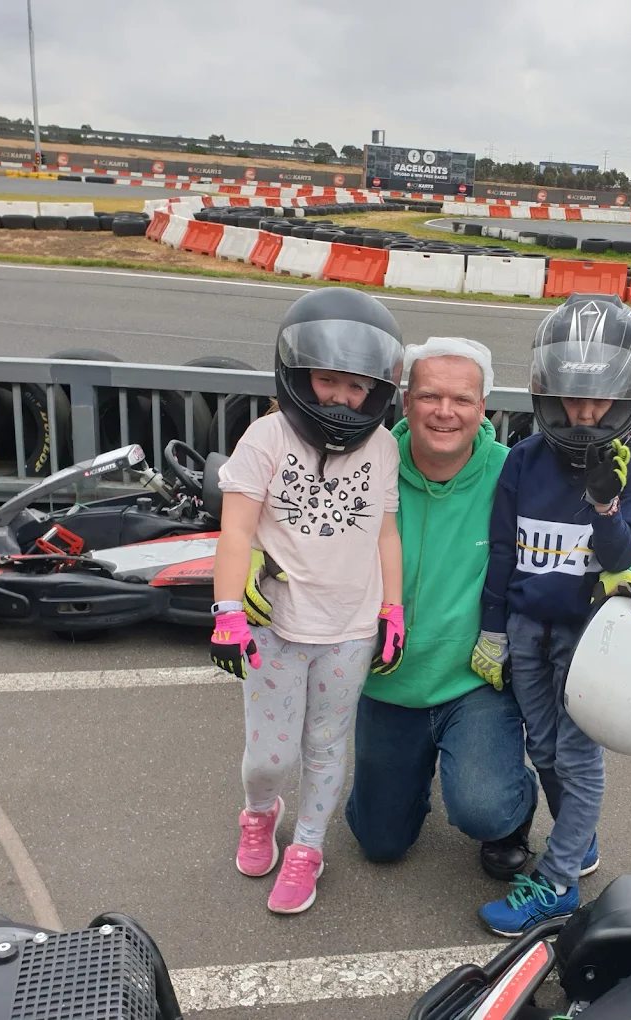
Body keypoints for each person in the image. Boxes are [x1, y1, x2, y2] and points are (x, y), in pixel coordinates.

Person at [209, 287, 407, 915]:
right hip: (277, 628)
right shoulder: (264, 440)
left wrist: (393, 609)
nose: (342, 398)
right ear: (298, 376)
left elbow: (385, 532)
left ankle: (310, 848)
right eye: (327, 380)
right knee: (269, 756)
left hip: (350, 629)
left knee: (326, 745)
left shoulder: (383, 447)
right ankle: (261, 812)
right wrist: (226, 613)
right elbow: (236, 530)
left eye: (357, 386)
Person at [472, 293, 631, 937]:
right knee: (543, 747)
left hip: (588, 639)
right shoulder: (523, 459)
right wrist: (493, 629)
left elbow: (623, 556)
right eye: (573, 397)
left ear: (626, 397)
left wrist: (606, 507)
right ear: (547, 391)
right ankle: (578, 845)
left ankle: (556, 885)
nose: (585, 413)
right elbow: (502, 551)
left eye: (601, 400)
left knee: (578, 759)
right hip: (527, 627)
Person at [344, 337, 539, 880]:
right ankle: (413, 775)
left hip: (474, 679)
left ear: (484, 408)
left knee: (483, 806)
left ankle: (511, 802)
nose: (445, 412)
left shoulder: (516, 472)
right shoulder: (365, 463)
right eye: (430, 396)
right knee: (378, 842)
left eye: (462, 400)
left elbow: (573, 534)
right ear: (405, 401)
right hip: (385, 679)